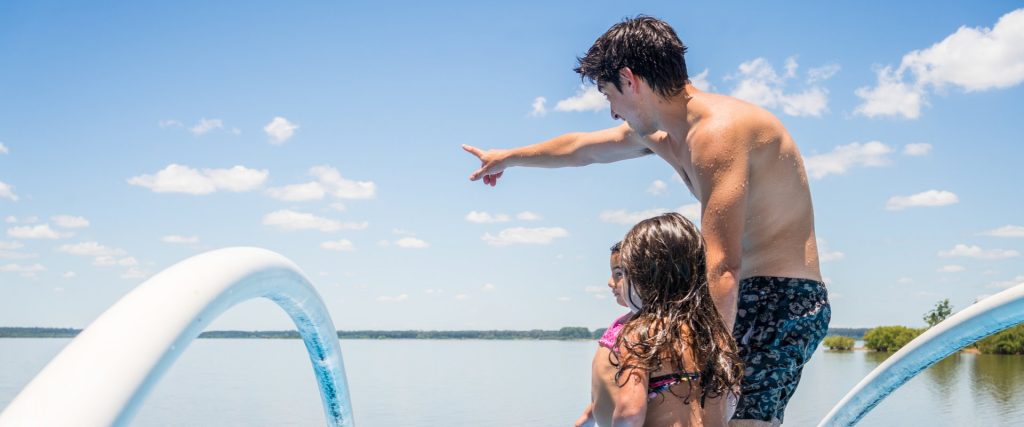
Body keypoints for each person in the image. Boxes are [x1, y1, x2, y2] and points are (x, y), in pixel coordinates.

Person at [463, 16, 830, 426]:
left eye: (608, 95)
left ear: (629, 78)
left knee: (737, 420)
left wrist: (713, 362)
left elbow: (725, 264)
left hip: (777, 298)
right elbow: (581, 149)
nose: (611, 111)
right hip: (735, 294)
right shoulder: (660, 134)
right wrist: (506, 158)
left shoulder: (716, 133)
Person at [576, 214, 743, 427]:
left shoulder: (640, 334)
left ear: (644, 276)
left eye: (625, 271)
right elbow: (730, 400)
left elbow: (629, 412)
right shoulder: (715, 334)